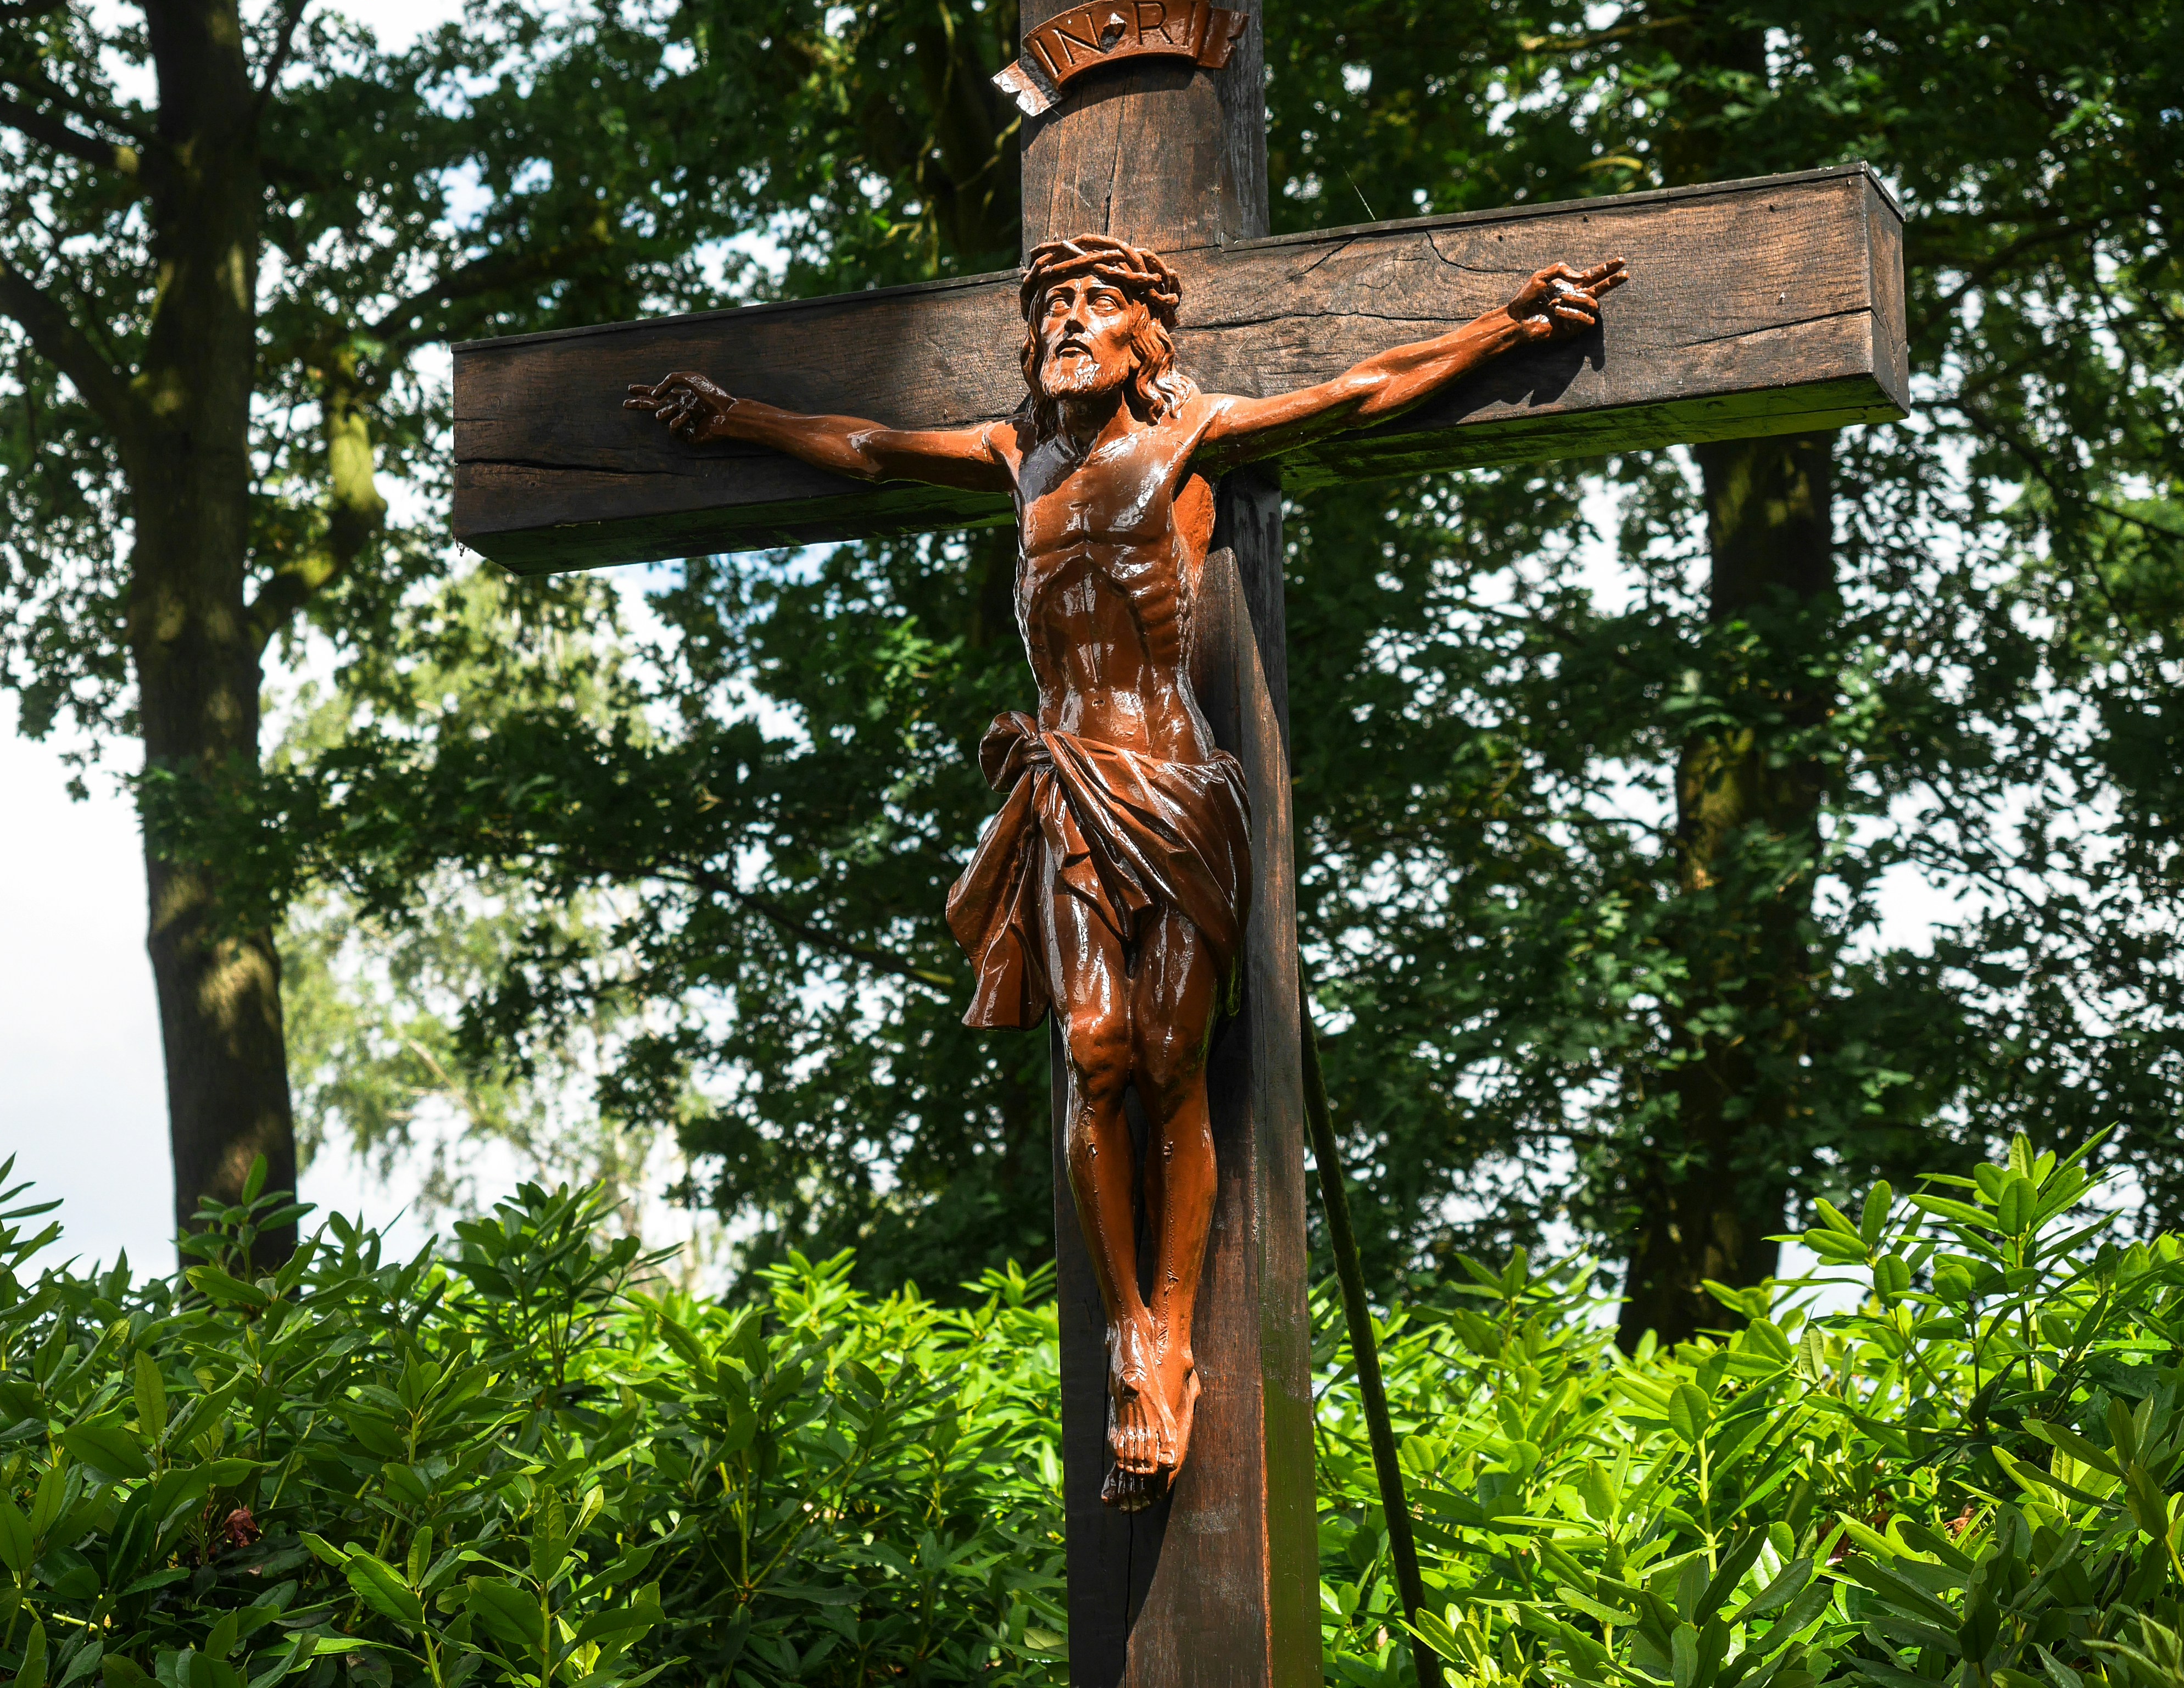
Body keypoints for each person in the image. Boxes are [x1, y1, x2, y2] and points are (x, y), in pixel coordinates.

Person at [626, 235, 1624, 1508]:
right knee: (1092, 1049)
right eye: (1051, 305)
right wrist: (734, 416)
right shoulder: (1012, 455)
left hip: (1178, 787)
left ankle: (1174, 1318)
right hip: (1067, 786)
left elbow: (1364, 387)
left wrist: (1507, 324)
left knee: (1168, 1058)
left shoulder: (1194, 430)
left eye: (1097, 305)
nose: (1068, 322)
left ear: (1147, 336)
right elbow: (866, 446)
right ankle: (1129, 1341)